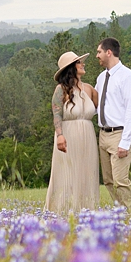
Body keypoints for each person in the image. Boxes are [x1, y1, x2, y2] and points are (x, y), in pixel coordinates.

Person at [44, 50, 100, 213]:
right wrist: (60, 135)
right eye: (79, 62)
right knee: (67, 174)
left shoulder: (89, 89)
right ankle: (62, 211)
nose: (83, 64)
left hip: (87, 136)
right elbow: (56, 114)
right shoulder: (60, 90)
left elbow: (102, 107)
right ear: (71, 68)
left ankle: (87, 211)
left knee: (87, 173)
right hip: (68, 135)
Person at [91, 36, 131, 209]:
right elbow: (96, 105)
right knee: (108, 180)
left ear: (108, 52)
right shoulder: (102, 78)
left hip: (120, 133)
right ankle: (120, 212)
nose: (97, 55)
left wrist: (125, 142)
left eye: (99, 52)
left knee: (120, 179)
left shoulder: (127, 77)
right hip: (104, 134)